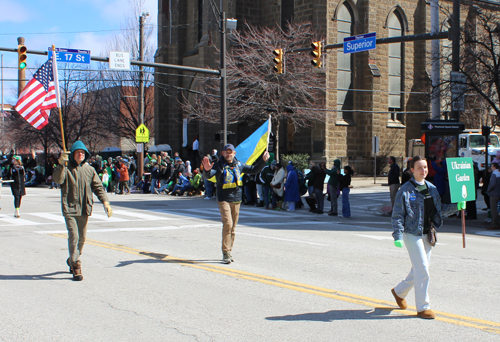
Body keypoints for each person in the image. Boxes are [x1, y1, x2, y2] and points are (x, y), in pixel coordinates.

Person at [391, 155, 465, 319]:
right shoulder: (405, 190)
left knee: (419, 269)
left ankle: (399, 292)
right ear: (412, 170)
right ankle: (423, 307)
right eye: (419, 167)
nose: (423, 170)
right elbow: (397, 215)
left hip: (428, 233)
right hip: (412, 233)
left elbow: (439, 210)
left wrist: (456, 207)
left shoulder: (431, 188)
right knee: (423, 269)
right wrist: (397, 235)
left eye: (425, 167)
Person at [53, 141, 113, 281]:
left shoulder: (89, 170)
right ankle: (76, 265)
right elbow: (58, 180)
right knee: (74, 236)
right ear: (73, 154)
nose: (80, 154)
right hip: (70, 207)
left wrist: (106, 202)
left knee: (82, 238)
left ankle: (72, 259)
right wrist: (61, 164)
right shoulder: (66, 169)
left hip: (84, 208)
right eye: (77, 152)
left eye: (83, 152)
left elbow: (98, 187)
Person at [202, 144, 269, 264]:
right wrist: (206, 170)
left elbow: (253, 170)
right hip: (223, 198)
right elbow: (209, 174)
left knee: (232, 227)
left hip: (237, 199)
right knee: (228, 223)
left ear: (234, 153)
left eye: (231, 152)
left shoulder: (239, 165)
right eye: (226, 152)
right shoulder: (218, 165)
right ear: (222, 153)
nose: (229, 154)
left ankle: (229, 250)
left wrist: (263, 161)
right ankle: (225, 252)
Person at [486, 162, 500, 229]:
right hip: (498, 193)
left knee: (493, 209)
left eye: (492, 166)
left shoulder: (494, 174)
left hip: (494, 194)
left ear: (494, 167)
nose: (491, 167)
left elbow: (492, 184)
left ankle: (495, 224)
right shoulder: (499, 173)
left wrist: (488, 190)